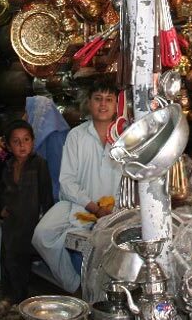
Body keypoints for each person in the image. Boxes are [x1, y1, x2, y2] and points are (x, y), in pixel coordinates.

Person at [32, 82, 123, 293]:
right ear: (89, 103)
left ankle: (104, 295)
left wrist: (111, 210)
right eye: (98, 99)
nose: (103, 104)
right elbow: (67, 181)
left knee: (106, 248)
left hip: (115, 209)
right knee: (42, 235)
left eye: (109, 100)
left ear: (117, 105)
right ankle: (74, 285)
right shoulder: (77, 135)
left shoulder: (124, 137)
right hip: (80, 203)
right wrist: (93, 207)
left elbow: (130, 180)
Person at [0, 120, 54, 307]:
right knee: (8, 258)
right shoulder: (6, 164)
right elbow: (0, 188)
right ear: (8, 145)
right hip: (11, 220)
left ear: (33, 141)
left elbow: (46, 194)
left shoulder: (39, 164)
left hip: (31, 220)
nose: (22, 145)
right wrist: (1, 208)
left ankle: (21, 299)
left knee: (22, 260)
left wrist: (47, 219)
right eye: (16, 141)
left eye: (26, 140)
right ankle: (8, 295)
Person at [25, 95, 70, 201]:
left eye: (27, 111)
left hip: (50, 196)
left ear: (37, 112)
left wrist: (1, 154)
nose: (25, 116)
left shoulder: (53, 137)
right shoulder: (34, 136)